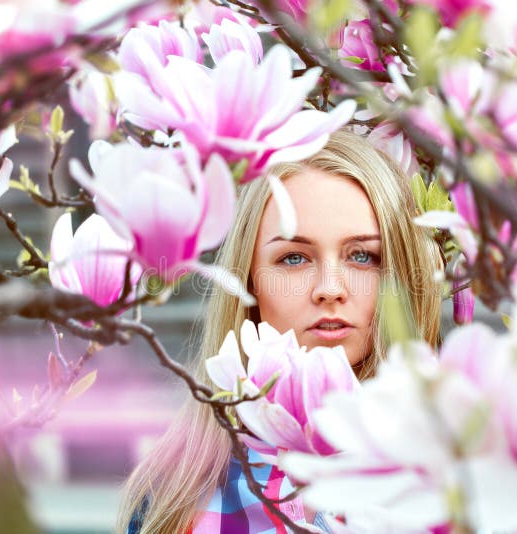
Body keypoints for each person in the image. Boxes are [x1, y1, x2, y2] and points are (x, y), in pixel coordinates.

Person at [117, 129, 443, 533]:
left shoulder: (458, 472)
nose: (330, 289)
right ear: (249, 281)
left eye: (362, 256)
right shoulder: (177, 495)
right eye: (293, 258)